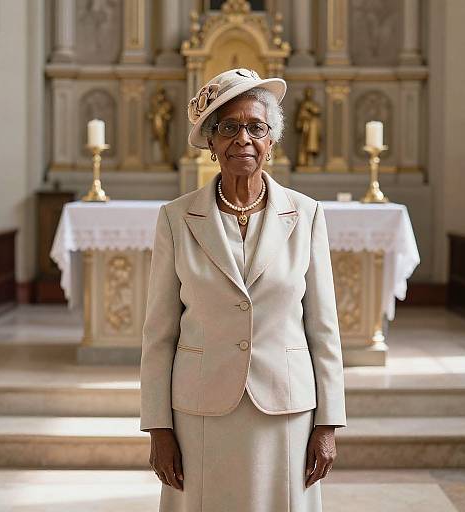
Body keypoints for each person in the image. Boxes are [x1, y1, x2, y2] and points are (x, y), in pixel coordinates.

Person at [140, 68, 346, 512]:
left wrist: (328, 422)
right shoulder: (176, 218)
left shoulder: (306, 215)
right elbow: (159, 334)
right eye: (229, 127)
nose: (243, 139)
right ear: (211, 142)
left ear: (272, 140)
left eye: (256, 127)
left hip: (285, 407)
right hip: (199, 410)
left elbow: (323, 329)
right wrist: (158, 427)